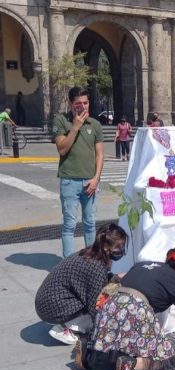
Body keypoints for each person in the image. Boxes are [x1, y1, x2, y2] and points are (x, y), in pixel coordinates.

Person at [35, 223, 128, 345]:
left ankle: (67, 323)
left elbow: (94, 281)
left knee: (105, 298)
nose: (121, 250)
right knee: (101, 311)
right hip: (51, 309)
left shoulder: (90, 253)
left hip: (45, 302)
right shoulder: (96, 267)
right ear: (106, 246)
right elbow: (95, 306)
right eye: (119, 247)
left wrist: (113, 278)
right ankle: (65, 330)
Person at [53, 86, 104, 259]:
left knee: (90, 224)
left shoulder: (95, 124)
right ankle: (67, 263)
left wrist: (96, 178)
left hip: (90, 181)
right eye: (78, 103)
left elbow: (100, 154)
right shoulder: (61, 121)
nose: (82, 106)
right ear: (70, 104)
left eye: (85, 102)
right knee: (69, 225)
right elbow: (62, 149)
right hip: (69, 181)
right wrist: (75, 127)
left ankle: (90, 261)